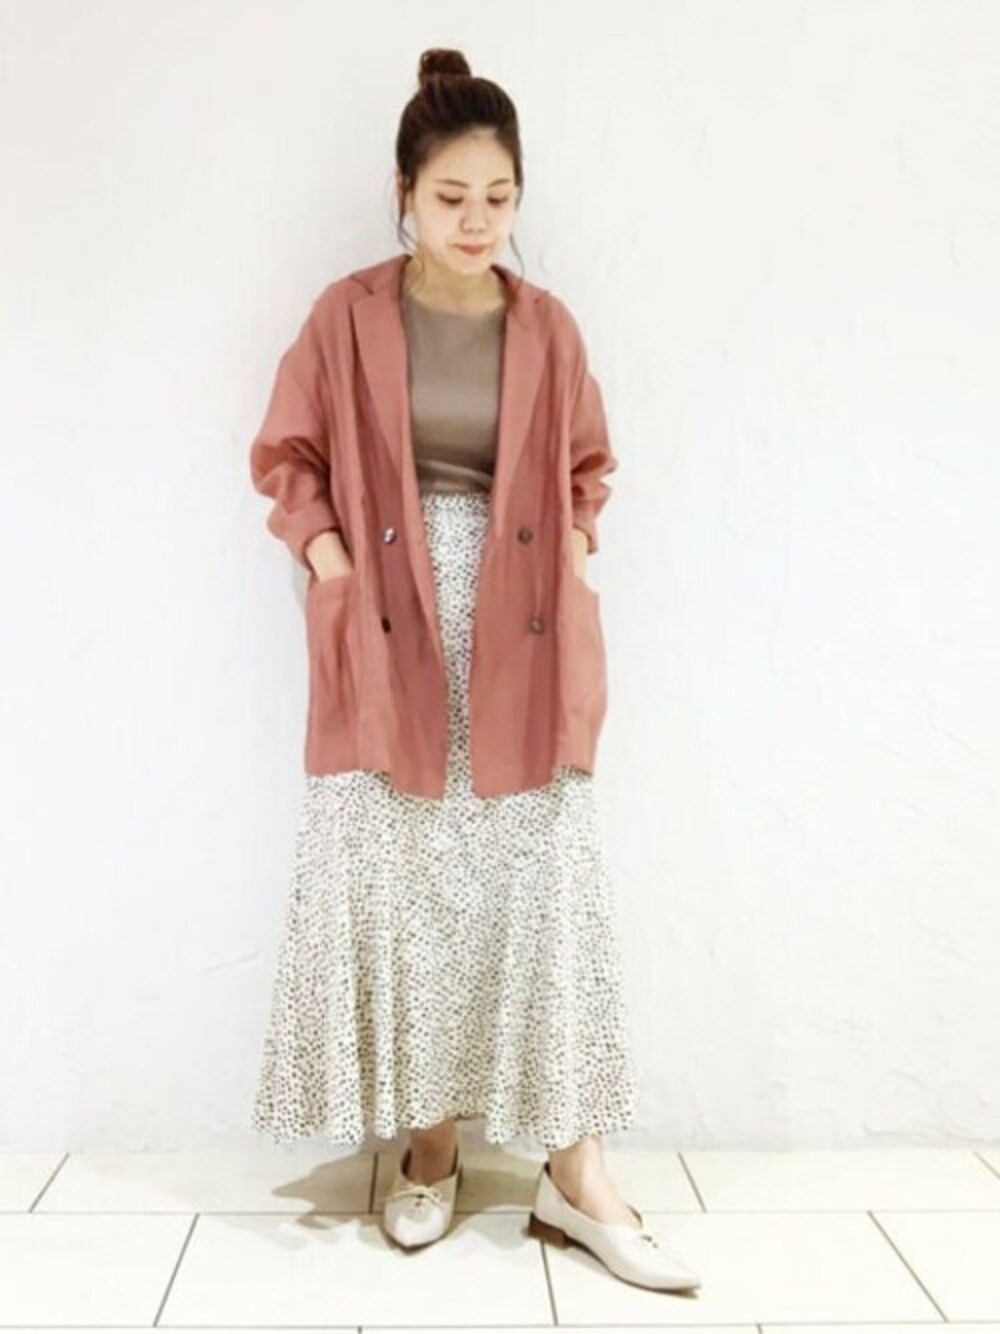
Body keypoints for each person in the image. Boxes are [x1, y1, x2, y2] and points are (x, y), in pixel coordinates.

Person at [248, 47, 700, 1293]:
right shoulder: (347, 316)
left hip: (523, 622)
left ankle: (575, 1168)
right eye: (450, 195)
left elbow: (586, 464)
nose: (475, 219)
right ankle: (431, 1144)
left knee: (540, 872)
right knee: (406, 880)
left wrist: (579, 544)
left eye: (497, 196)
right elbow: (286, 454)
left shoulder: (545, 326)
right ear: (403, 192)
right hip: (388, 621)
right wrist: (332, 562)